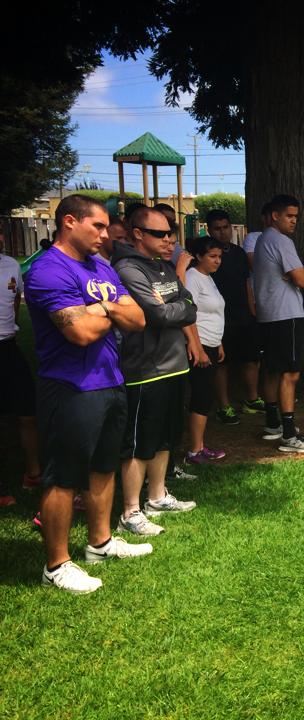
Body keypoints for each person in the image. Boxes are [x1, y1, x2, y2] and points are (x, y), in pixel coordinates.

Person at [24, 194, 151, 593]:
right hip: (70, 387)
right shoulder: (48, 270)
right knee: (63, 476)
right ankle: (56, 564)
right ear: (68, 222)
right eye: (96, 225)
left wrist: (101, 307)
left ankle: (100, 542)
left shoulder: (102, 266)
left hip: (110, 381)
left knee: (103, 466)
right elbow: (78, 333)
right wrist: (111, 307)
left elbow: (139, 318)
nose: (105, 232)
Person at [113, 205, 199, 536]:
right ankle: (130, 510)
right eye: (161, 234)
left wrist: (174, 309)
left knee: (165, 436)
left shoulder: (162, 268)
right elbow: (156, 315)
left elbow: (189, 305)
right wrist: (175, 310)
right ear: (138, 234)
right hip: (145, 368)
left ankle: (157, 496)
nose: (169, 240)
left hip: (174, 365)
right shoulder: (126, 269)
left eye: (170, 233)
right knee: (139, 442)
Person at [253, 194, 304, 452]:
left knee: (272, 368)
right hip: (286, 314)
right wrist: (292, 275)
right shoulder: (281, 241)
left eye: (296, 217)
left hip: (268, 314)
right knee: (290, 373)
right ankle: (290, 436)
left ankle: (273, 423)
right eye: (289, 216)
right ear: (275, 216)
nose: (294, 221)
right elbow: (302, 279)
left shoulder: (261, 240)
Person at [207, 210, 264, 424]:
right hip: (219, 318)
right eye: (217, 228)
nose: (222, 232)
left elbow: (246, 282)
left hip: (244, 315)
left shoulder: (239, 253)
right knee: (223, 363)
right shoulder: (205, 255)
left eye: (225, 227)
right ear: (210, 230)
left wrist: (252, 311)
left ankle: (252, 399)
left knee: (251, 358)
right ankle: (224, 406)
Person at [0, 230, 41, 504]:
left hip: (8, 346)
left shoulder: (11, 264)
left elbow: (15, 300)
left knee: (28, 413)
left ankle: (34, 474)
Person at [183, 237, 228, 463]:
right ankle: (194, 449)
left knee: (206, 395)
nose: (217, 261)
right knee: (201, 396)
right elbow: (189, 314)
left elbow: (213, 312)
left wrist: (218, 342)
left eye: (219, 257)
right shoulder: (193, 277)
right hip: (199, 346)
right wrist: (198, 348)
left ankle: (199, 445)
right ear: (199, 256)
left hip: (211, 343)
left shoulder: (208, 279)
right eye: (212, 256)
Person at [243, 202, 272, 272]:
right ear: (263, 218)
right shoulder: (253, 237)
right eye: (272, 216)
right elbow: (255, 266)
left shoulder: (284, 239)